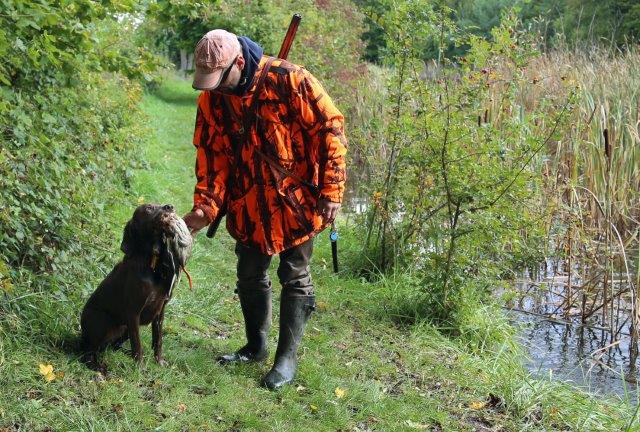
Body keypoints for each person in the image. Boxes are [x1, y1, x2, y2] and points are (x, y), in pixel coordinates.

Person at [182, 29, 347, 389]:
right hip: (247, 203)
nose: (214, 89)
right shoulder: (212, 99)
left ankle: (286, 359)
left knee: (295, 274)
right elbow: (212, 156)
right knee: (249, 272)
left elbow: (330, 130)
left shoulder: (291, 80)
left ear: (239, 63)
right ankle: (255, 347)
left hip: (296, 201)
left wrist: (332, 190)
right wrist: (205, 208)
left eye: (219, 79)